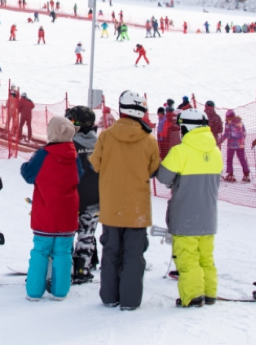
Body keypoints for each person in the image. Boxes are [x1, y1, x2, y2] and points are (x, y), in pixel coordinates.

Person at [90, 90, 160, 311]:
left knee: (110, 252)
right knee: (133, 254)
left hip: (111, 206)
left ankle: (109, 297)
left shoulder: (106, 136)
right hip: (137, 208)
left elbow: (96, 164)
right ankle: (130, 300)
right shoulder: (149, 140)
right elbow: (153, 169)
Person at [156, 109, 223, 308]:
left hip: (185, 216)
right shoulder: (216, 151)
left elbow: (163, 177)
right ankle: (210, 293)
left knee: (188, 260)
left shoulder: (180, 151)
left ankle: (193, 296)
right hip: (208, 217)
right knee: (206, 258)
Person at [20, 116, 82, 301]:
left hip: (46, 212)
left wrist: (25, 165)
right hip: (67, 213)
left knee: (40, 250)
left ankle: (34, 291)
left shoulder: (43, 154)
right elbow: (78, 176)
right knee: (63, 252)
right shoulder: (73, 154)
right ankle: (60, 291)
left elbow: (29, 175)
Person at [64, 105, 101, 285]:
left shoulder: (69, 144)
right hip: (94, 198)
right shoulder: (100, 144)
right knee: (87, 235)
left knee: (68, 234)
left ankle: (67, 269)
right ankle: (82, 269)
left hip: (72, 199)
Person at [221, 109, 250, 182]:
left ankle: (230, 174)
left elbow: (226, 134)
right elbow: (244, 132)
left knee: (229, 159)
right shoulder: (240, 122)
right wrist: (242, 140)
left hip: (232, 144)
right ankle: (246, 174)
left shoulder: (228, 123)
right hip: (240, 144)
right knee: (242, 159)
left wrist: (219, 141)